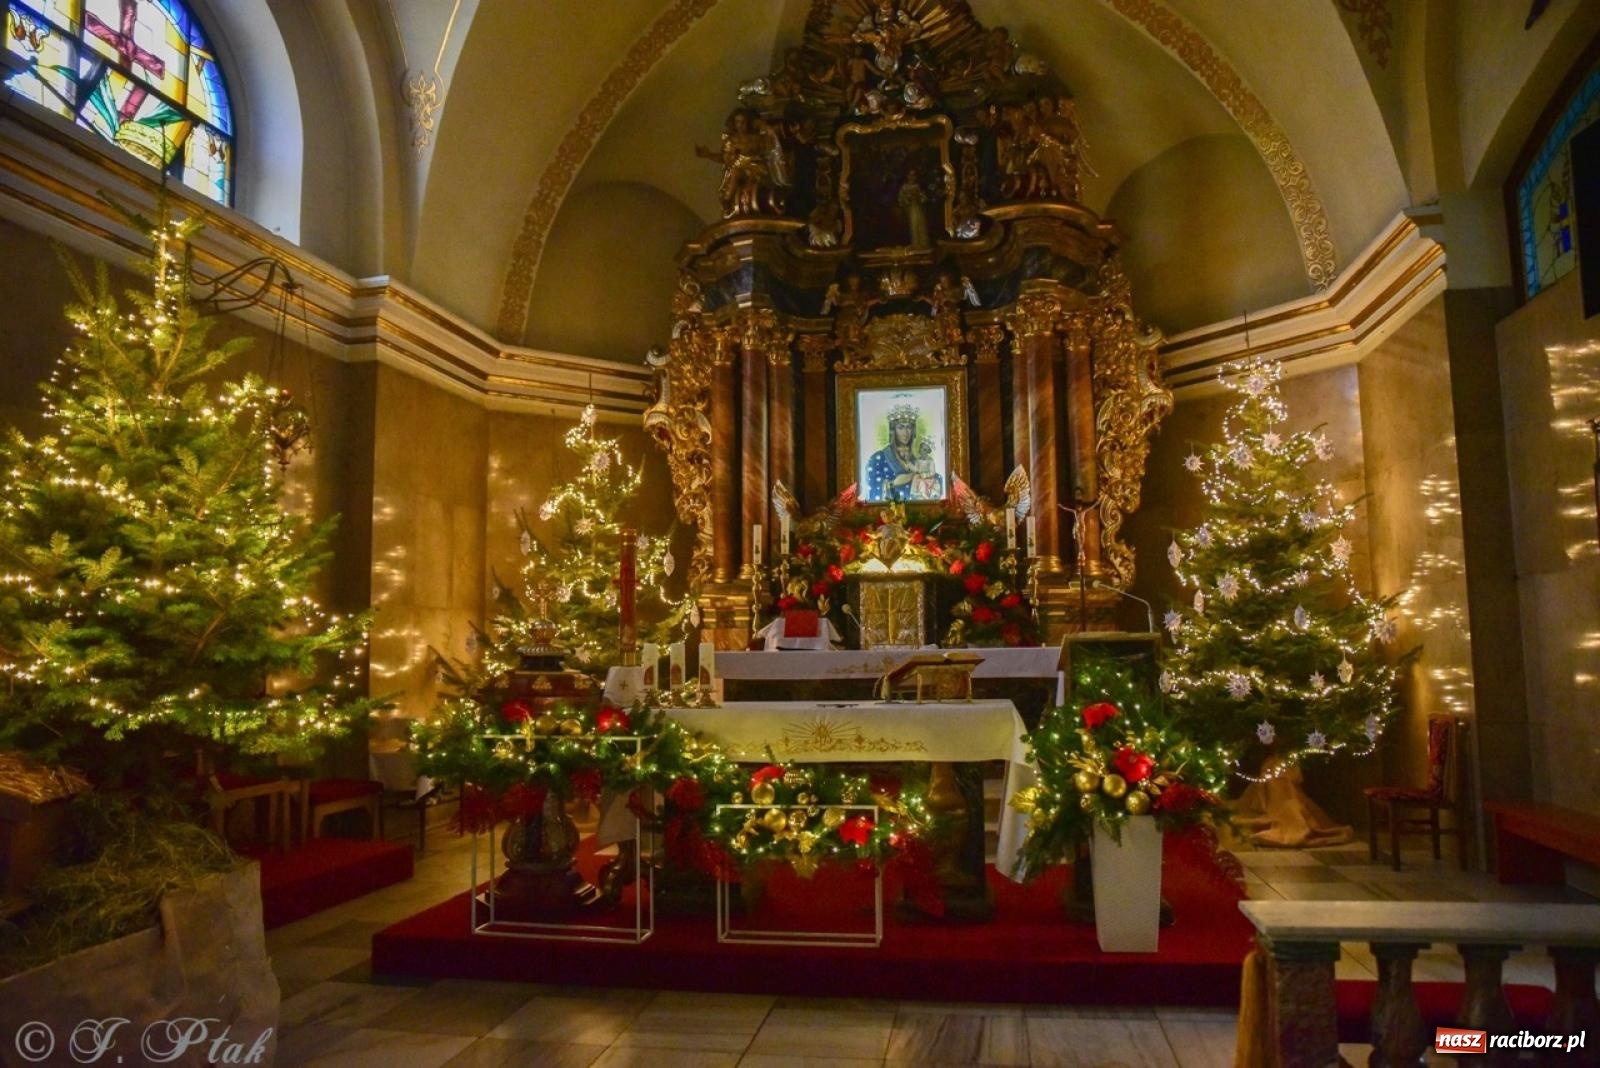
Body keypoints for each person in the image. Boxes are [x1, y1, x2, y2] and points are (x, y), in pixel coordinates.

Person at [866, 404, 941, 501]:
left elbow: (936, 479)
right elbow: (872, 488)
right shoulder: (878, 458)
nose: (906, 432)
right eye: (901, 427)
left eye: (909, 427)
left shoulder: (918, 459)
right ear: (893, 431)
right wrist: (893, 483)